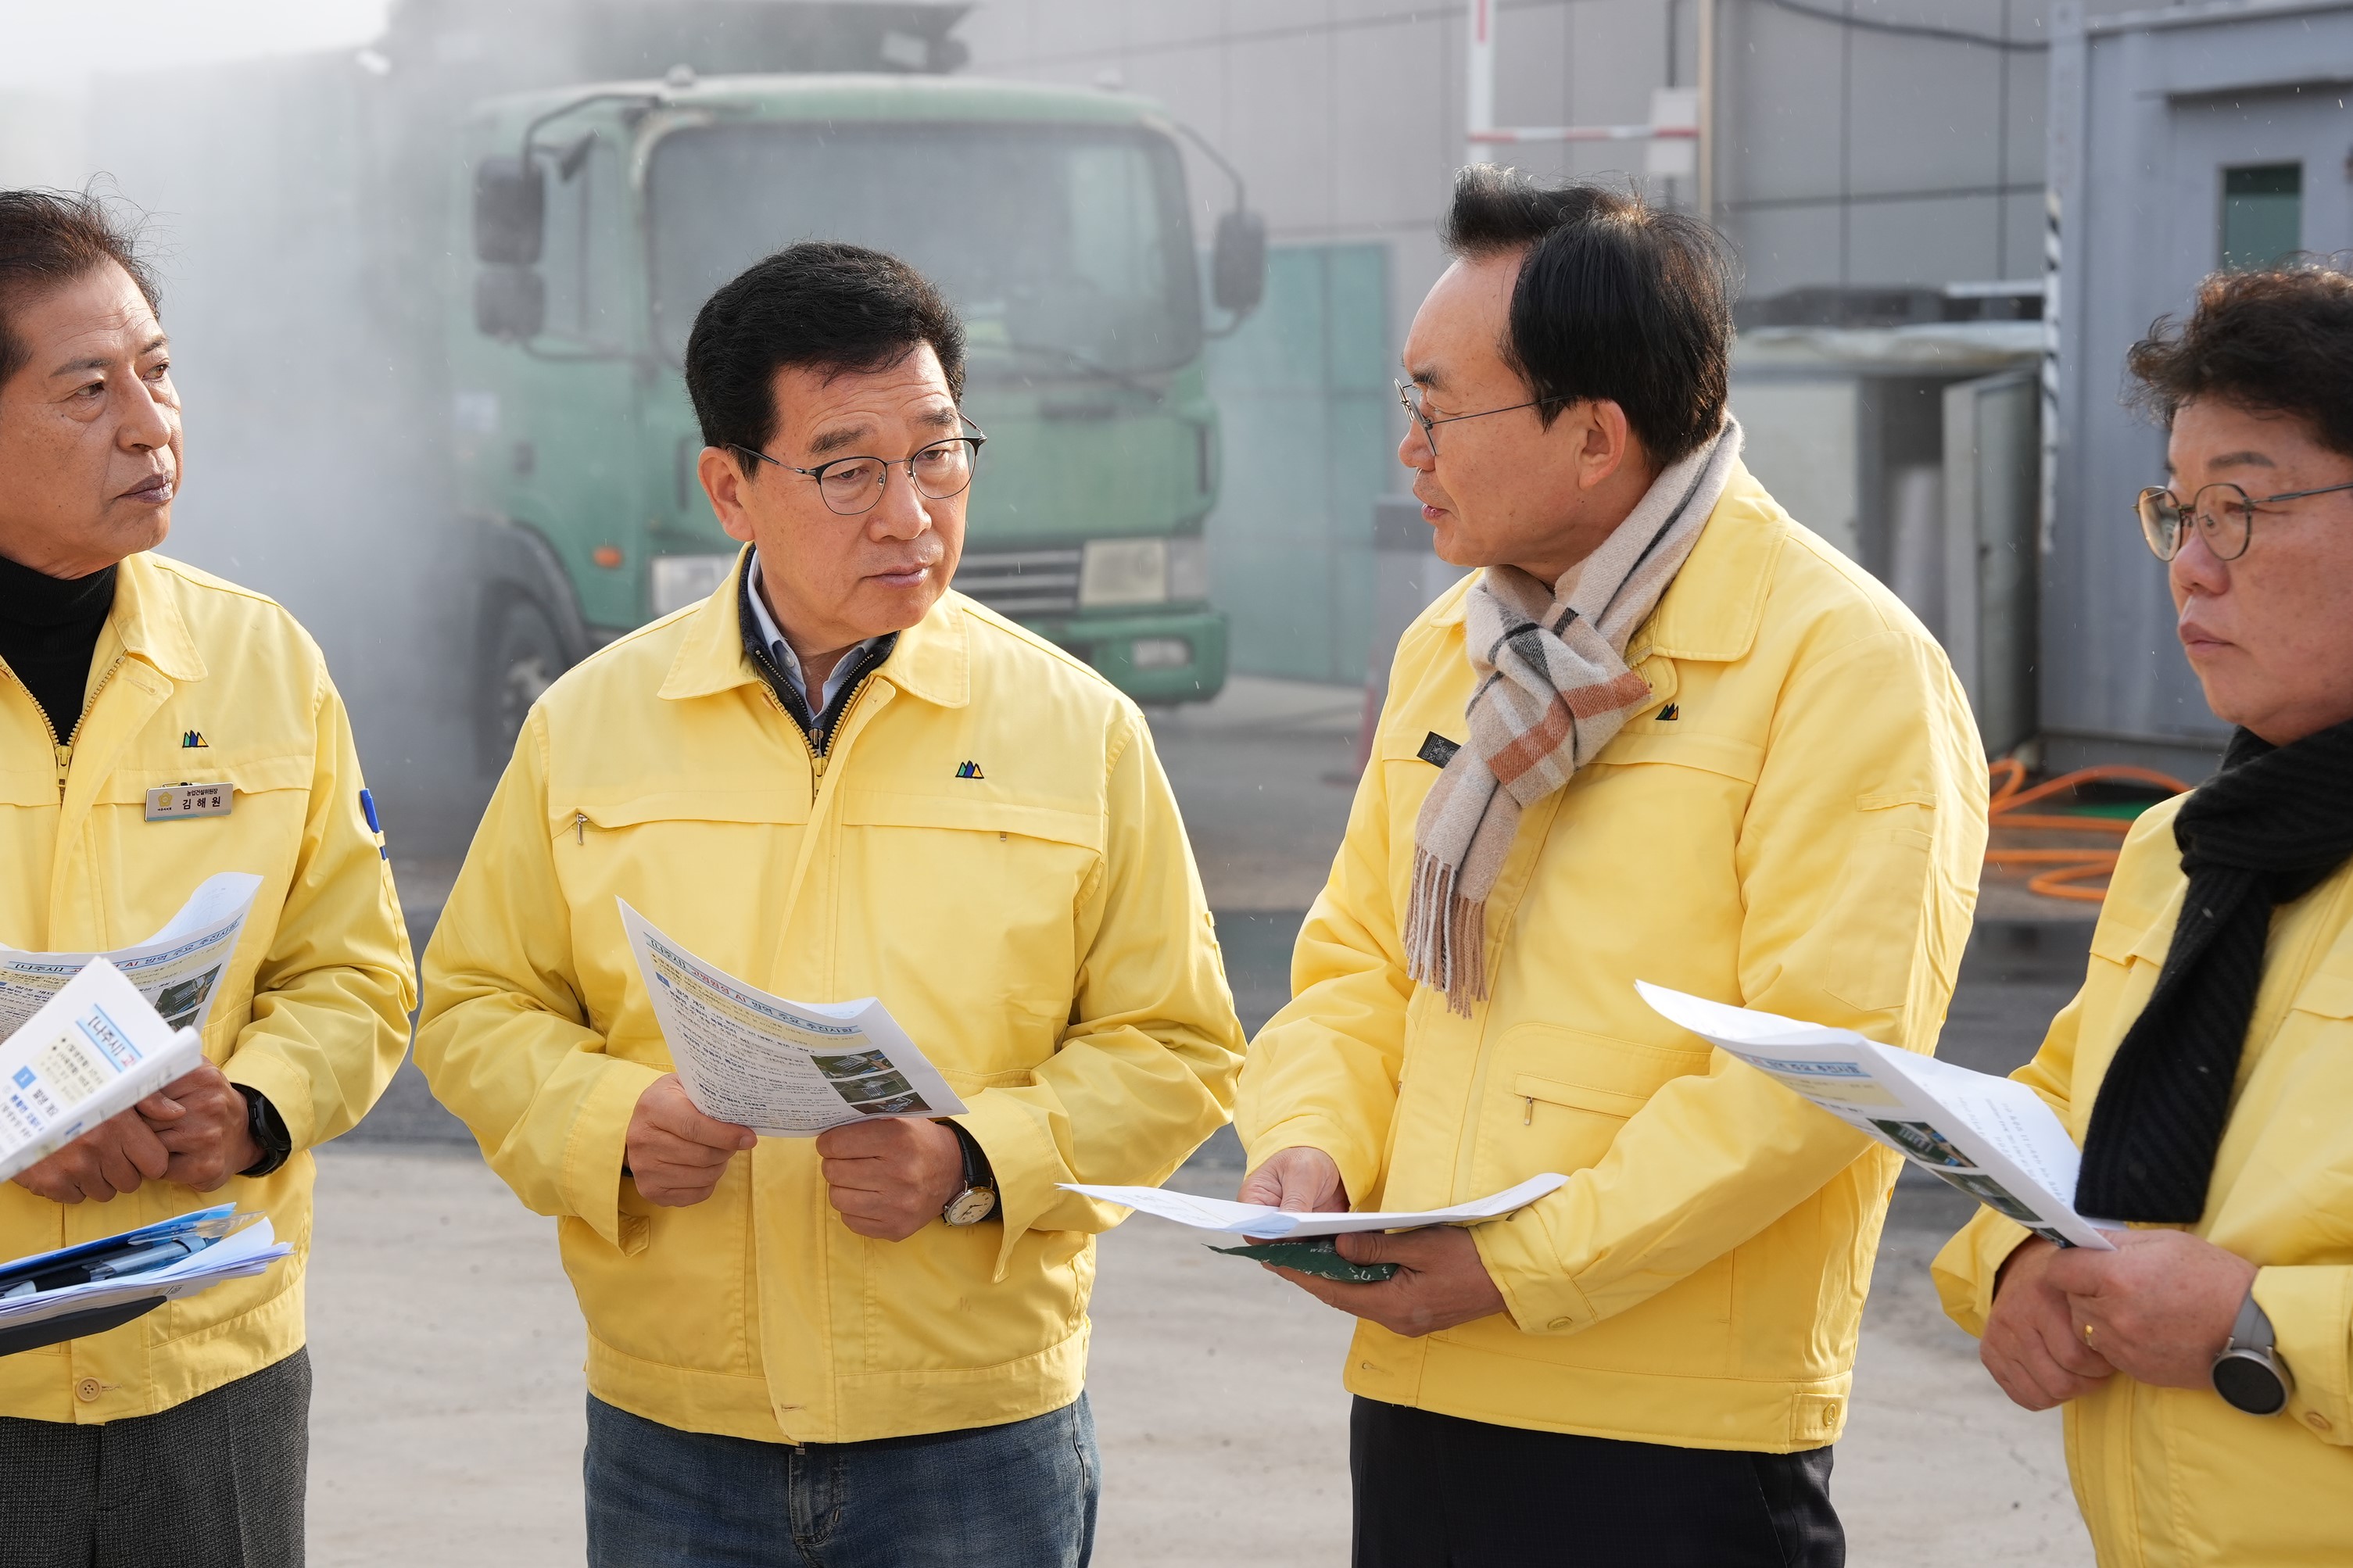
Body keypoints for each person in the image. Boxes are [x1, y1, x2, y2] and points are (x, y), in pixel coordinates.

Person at [413, 241, 1244, 1568]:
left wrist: (973, 1158)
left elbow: (1178, 1043)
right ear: (729, 488)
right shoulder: (589, 724)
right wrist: (605, 1122)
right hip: (677, 1433)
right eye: (848, 469)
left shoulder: (1077, 730)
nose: (909, 513)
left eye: (938, 454)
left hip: (973, 1435)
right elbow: (473, 1002)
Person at [1232, 167, 1986, 1566]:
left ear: (1591, 435)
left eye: (1436, 409)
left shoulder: (1841, 663)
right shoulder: (1454, 648)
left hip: (1673, 1431)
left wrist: (1518, 1264)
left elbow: (1823, 1067)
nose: (1408, 448)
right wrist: (1309, 1144)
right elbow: (1357, 967)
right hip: (1425, 1379)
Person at [0, 190, 414, 1566]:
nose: (150, 425)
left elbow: (352, 969)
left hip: (209, 1364)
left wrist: (252, 1108)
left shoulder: (262, 661)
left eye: (159, 371)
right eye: (88, 389)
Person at [1934, 265, 2353, 1563]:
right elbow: (2050, 1123)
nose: (2191, 567)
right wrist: (2010, 1264)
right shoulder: (2180, 850)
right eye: (2177, 511)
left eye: (2238, 508)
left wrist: (2259, 1326)